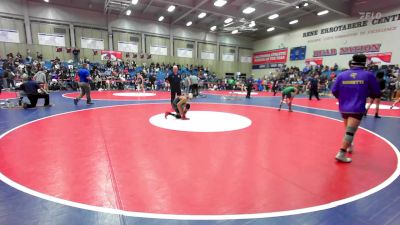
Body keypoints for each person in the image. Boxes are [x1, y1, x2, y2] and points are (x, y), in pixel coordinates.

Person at [331, 54, 381, 163]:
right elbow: (376, 92)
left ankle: (349, 145)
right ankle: (341, 153)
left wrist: (343, 97)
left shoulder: (342, 75)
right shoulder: (368, 75)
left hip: (343, 107)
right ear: (364, 63)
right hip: (357, 107)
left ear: (352, 62)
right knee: (350, 132)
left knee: (348, 130)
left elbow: (334, 90)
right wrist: (364, 93)